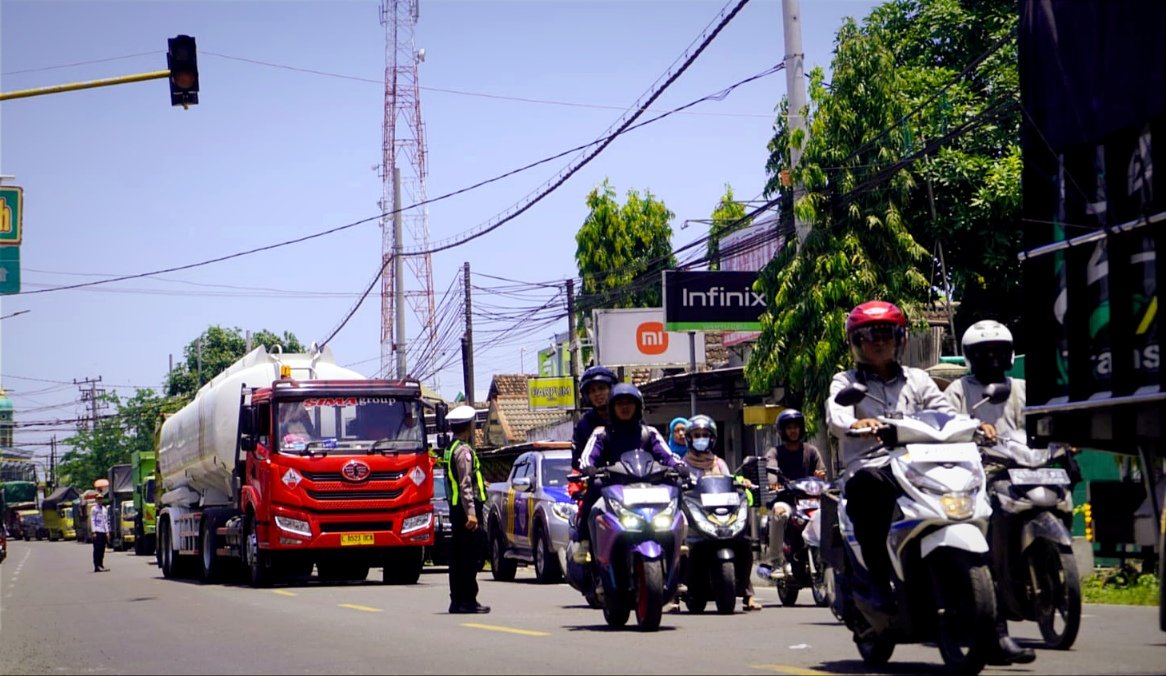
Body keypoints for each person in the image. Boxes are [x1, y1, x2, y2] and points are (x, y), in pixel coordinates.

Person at [826, 300, 992, 613]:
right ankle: (878, 579)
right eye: (870, 337)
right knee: (866, 485)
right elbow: (837, 415)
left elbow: (945, 412)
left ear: (899, 339)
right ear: (856, 343)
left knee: (986, 495)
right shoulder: (846, 381)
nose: (879, 343)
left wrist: (974, 425)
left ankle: (994, 628)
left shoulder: (918, 379)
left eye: (886, 335)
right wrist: (856, 423)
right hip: (875, 464)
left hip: (922, 463)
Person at [944, 320, 1037, 666]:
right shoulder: (958, 391)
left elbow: (1040, 422)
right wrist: (972, 427)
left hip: (1024, 467)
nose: (993, 358)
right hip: (978, 474)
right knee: (987, 530)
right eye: (984, 353)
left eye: (999, 351)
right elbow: (944, 424)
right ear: (970, 357)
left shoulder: (1023, 388)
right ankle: (991, 619)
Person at [574, 383, 679, 562]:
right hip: (614, 487)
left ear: (638, 406)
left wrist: (679, 467)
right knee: (594, 487)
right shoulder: (601, 433)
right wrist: (589, 468)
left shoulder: (649, 432)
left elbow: (669, 456)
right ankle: (584, 541)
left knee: (676, 484)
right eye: (619, 403)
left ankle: (679, 537)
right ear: (612, 407)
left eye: (629, 402)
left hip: (648, 489)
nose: (624, 407)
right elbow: (586, 458)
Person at [682, 414, 763, 612]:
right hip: (696, 521)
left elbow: (729, 480)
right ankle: (675, 594)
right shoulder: (682, 465)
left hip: (721, 518)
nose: (701, 438)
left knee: (742, 543)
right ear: (689, 439)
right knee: (680, 542)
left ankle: (747, 594)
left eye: (704, 434)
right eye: (696, 435)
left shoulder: (719, 463)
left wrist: (741, 482)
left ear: (712, 438)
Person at [762, 408, 826, 581]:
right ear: (782, 431)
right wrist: (773, 481)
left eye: (796, 427)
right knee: (778, 513)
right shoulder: (775, 452)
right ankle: (775, 562)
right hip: (787, 501)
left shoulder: (811, 451)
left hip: (810, 501)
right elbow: (771, 472)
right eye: (789, 427)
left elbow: (821, 472)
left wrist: (821, 475)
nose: (793, 430)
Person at [442, 404, 489, 614]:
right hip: (465, 512)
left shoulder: (450, 448)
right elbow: (465, 484)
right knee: (469, 558)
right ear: (468, 426)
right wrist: (471, 512)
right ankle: (468, 600)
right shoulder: (463, 451)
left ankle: (457, 600)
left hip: (455, 509)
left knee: (458, 557)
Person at [571, 365, 618, 471]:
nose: (597, 394)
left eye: (601, 388)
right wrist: (590, 469)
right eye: (592, 391)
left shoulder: (629, 418)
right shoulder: (583, 425)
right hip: (599, 482)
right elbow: (577, 460)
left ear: (612, 389)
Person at [90, 494, 110, 572]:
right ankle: (96, 566)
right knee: (97, 549)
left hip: (103, 531)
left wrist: (107, 532)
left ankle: (101, 564)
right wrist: (93, 532)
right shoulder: (94, 509)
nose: (100, 500)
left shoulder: (104, 509)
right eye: (98, 499)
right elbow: (92, 520)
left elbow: (106, 521)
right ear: (96, 500)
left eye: (101, 498)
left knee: (102, 549)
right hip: (97, 531)